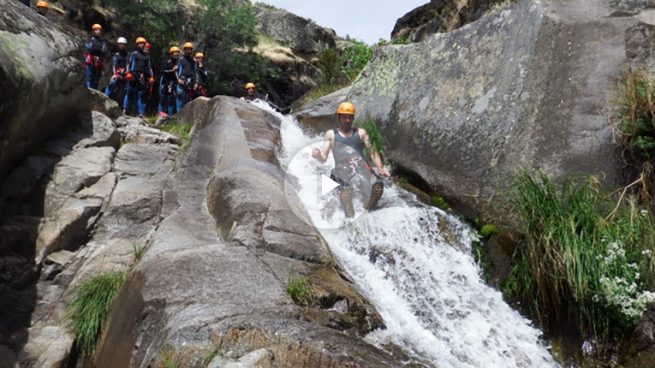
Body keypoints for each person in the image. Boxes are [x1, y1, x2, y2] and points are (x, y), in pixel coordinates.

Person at [311, 102, 389, 217]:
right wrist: (317, 155)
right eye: (344, 117)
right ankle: (347, 204)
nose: (347, 120)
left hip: (360, 168)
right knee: (345, 188)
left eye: (350, 117)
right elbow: (323, 158)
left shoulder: (361, 133)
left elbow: (373, 152)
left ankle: (368, 202)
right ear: (339, 117)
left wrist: (380, 168)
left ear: (353, 118)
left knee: (371, 183)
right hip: (342, 169)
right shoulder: (331, 134)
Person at [123, 37, 154, 118]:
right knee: (129, 93)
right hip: (133, 75)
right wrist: (127, 73)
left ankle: (140, 113)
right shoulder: (133, 54)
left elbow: (149, 67)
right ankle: (125, 109)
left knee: (140, 95)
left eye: (143, 43)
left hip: (142, 77)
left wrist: (151, 77)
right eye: (140, 43)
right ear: (137, 44)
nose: (142, 45)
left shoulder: (147, 57)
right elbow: (128, 64)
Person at [83, 24, 107, 90]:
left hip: (98, 61)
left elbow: (104, 51)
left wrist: (97, 53)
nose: (98, 31)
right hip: (90, 60)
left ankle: (95, 91)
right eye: (96, 30)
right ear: (93, 31)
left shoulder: (102, 42)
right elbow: (88, 48)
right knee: (89, 76)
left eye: (99, 30)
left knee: (97, 77)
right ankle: (89, 90)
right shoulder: (90, 40)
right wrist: (97, 52)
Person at [158, 46, 180, 117]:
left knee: (171, 100)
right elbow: (162, 71)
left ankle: (170, 116)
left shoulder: (178, 62)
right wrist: (172, 70)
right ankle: (159, 114)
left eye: (177, 52)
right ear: (171, 54)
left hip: (172, 83)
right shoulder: (166, 61)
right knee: (162, 98)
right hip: (165, 81)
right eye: (175, 52)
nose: (176, 54)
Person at [176, 42, 196, 111]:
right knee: (180, 99)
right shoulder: (180, 59)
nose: (189, 51)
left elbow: (194, 72)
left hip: (189, 82)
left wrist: (195, 83)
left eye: (190, 49)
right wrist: (178, 79)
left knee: (187, 100)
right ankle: (177, 117)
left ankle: (184, 118)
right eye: (187, 49)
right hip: (181, 81)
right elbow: (176, 71)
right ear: (185, 50)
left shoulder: (193, 61)